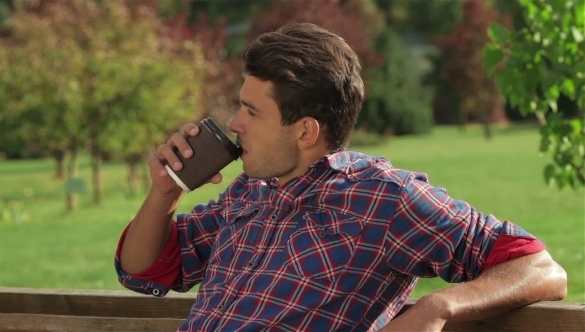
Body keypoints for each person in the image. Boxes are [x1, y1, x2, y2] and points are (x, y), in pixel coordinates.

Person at [115, 22, 567, 332]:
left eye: (252, 111)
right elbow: (142, 272)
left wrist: (439, 305)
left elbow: (541, 269)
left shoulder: (384, 199)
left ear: (306, 131)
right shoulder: (249, 192)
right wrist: (163, 194)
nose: (234, 123)